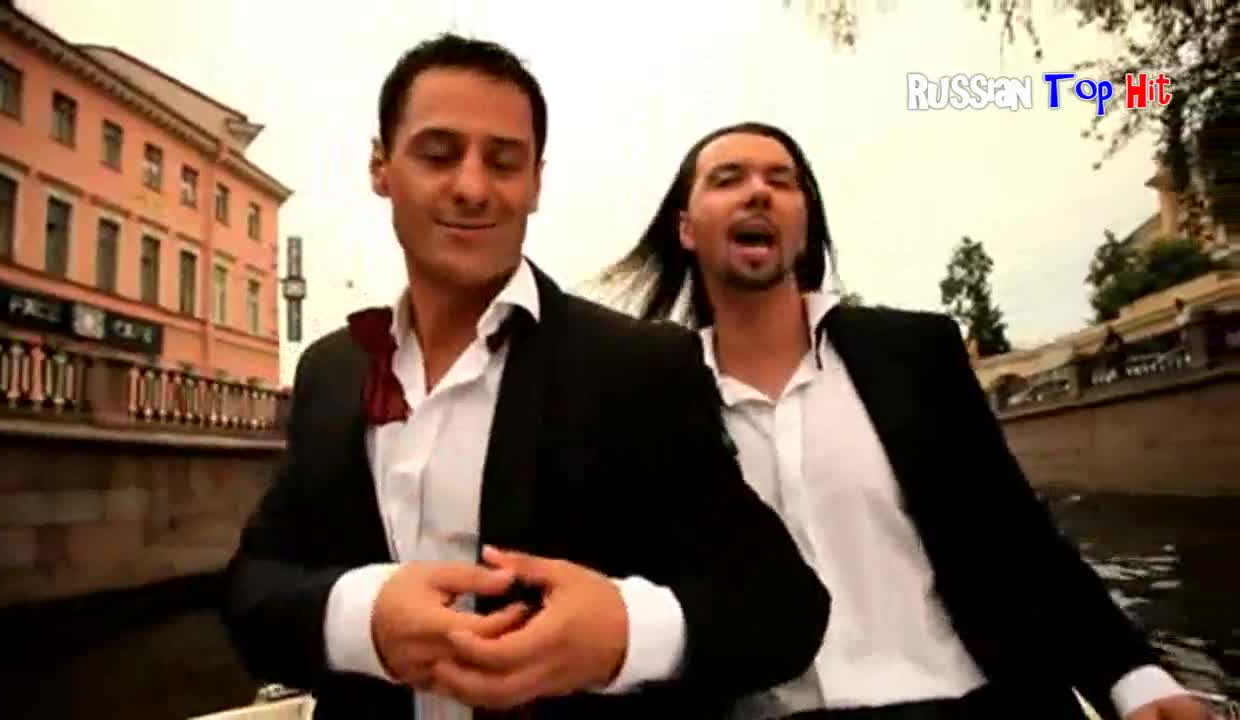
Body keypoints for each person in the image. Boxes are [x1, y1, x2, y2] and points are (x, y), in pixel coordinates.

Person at [221, 39, 829, 720]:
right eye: (438, 154)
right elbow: (252, 590)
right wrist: (363, 618)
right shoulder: (333, 372)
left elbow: (784, 606)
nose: (473, 188)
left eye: (504, 162)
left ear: (536, 182)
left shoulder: (638, 367)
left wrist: (623, 634)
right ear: (380, 167)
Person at [604, 121, 1213, 720]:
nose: (758, 192)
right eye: (727, 179)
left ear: (805, 226)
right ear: (686, 229)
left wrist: (1132, 677)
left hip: (972, 705)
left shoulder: (914, 354)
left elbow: (1017, 535)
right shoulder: (656, 396)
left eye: (782, 181)